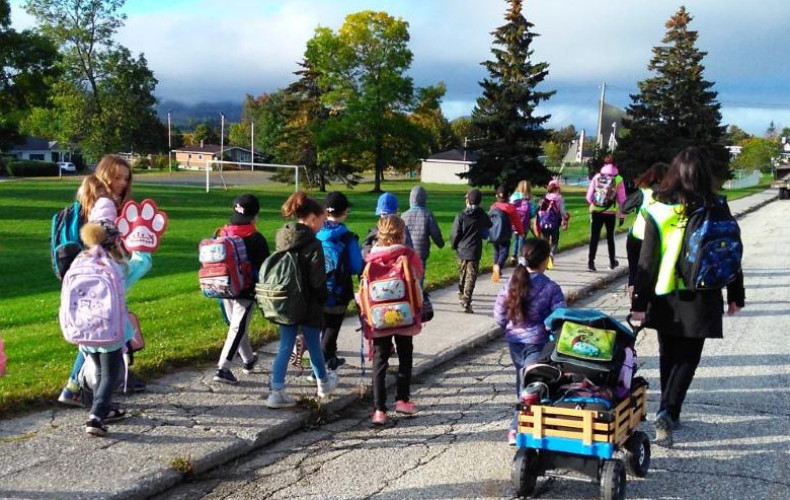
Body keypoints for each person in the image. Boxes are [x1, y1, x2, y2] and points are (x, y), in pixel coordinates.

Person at [630, 146, 744, 447]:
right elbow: (730, 253)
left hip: (666, 293)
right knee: (689, 357)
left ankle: (669, 409)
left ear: (673, 174)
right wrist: (735, 294)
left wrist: (638, 304)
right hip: (704, 292)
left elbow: (646, 261)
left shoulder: (657, 208)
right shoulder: (717, 206)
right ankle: (669, 410)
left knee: (669, 352)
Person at [58, 155, 137, 406]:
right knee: (100, 330)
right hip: (97, 275)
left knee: (95, 329)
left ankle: (99, 381)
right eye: (116, 177)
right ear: (105, 175)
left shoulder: (89, 199)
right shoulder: (105, 203)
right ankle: (77, 387)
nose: (122, 183)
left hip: (78, 273)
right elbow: (102, 238)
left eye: (126, 178)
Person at [70, 221, 153, 436]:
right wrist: (143, 246)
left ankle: (106, 408)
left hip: (85, 330)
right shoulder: (118, 267)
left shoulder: (80, 262)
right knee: (110, 374)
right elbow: (141, 264)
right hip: (110, 331)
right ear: (116, 240)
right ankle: (96, 417)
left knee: (99, 370)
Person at [265, 192, 339, 408]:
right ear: (313, 218)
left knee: (285, 346)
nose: (323, 225)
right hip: (308, 303)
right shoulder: (313, 244)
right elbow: (318, 280)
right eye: (323, 221)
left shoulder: (283, 238)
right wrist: (324, 299)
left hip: (286, 301)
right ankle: (323, 384)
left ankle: (276, 391)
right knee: (314, 344)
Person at [494, 238, 565, 445]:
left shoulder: (512, 283)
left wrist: (508, 327)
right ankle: (518, 428)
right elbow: (560, 316)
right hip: (538, 343)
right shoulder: (550, 288)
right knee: (533, 385)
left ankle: (531, 423)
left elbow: (499, 314)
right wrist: (549, 329)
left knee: (524, 380)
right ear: (544, 261)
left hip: (515, 342)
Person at [365, 215, 424, 425]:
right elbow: (417, 277)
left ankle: (379, 410)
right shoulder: (406, 255)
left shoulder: (371, 258)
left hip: (380, 317)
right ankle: (402, 399)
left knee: (380, 361)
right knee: (405, 356)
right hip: (404, 315)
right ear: (401, 234)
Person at [212, 194, 270, 385]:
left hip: (222, 287)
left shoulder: (222, 233)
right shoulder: (256, 238)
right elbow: (265, 268)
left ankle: (248, 360)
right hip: (245, 290)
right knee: (237, 327)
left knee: (237, 326)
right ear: (255, 216)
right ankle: (223, 368)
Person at [317, 191, 363, 372]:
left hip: (317, 290)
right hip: (339, 291)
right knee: (332, 328)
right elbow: (356, 267)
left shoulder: (315, 234)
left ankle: (330, 357)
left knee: (321, 326)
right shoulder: (347, 238)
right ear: (344, 212)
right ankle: (321, 365)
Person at [621, 162, 668, 296]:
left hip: (637, 237)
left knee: (634, 274)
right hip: (658, 239)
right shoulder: (671, 195)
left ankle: (634, 302)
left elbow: (624, 207)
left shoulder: (644, 193)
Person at [450, 188, 492, 314]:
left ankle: (462, 292)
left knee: (462, 273)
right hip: (474, 250)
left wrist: (454, 244)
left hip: (462, 250)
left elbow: (455, 233)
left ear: (467, 201)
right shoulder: (482, 215)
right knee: (471, 276)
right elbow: (487, 229)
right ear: (480, 202)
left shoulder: (461, 215)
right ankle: (466, 301)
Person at [586, 155, 627, 272]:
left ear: (604, 164)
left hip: (596, 211)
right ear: (616, 164)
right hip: (610, 212)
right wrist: (622, 215)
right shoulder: (618, 179)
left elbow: (588, 197)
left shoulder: (597, 176)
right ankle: (612, 262)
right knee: (610, 237)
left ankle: (591, 263)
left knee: (594, 237)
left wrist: (594, 204)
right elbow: (622, 199)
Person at [401, 185, 445, 283]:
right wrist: (440, 243)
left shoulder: (404, 216)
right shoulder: (427, 214)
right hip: (421, 251)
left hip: (406, 251)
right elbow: (435, 232)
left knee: (407, 275)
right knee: (419, 276)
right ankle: (419, 294)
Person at [489, 186, 525, 282]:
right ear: (508, 196)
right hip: (505, 234)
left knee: (496, 251)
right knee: (504, 252)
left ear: (497, 196)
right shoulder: (510, 208)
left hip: (494, 234)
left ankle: (496, 269)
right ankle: (498, 266)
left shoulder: (493, 207)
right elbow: (517, 222)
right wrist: (521, 232)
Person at [536, 179, 570, 259]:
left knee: (545, 240)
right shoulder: (559, 198)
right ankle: (551, 254)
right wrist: (565, 217)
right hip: (554, 223)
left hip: (544, 223)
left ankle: (545, 257)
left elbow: (539, 210)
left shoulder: (545, 197)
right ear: (557, 189)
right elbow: (562, 211)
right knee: (555, 241)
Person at [509, 180, 534, 264]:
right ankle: (520, 257)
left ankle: (513, 255)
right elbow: (532, 212)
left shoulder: (514, 196)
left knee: (516, 239)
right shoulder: (529, 198)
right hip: (524, 223)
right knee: (521, 239)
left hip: (514, 222)